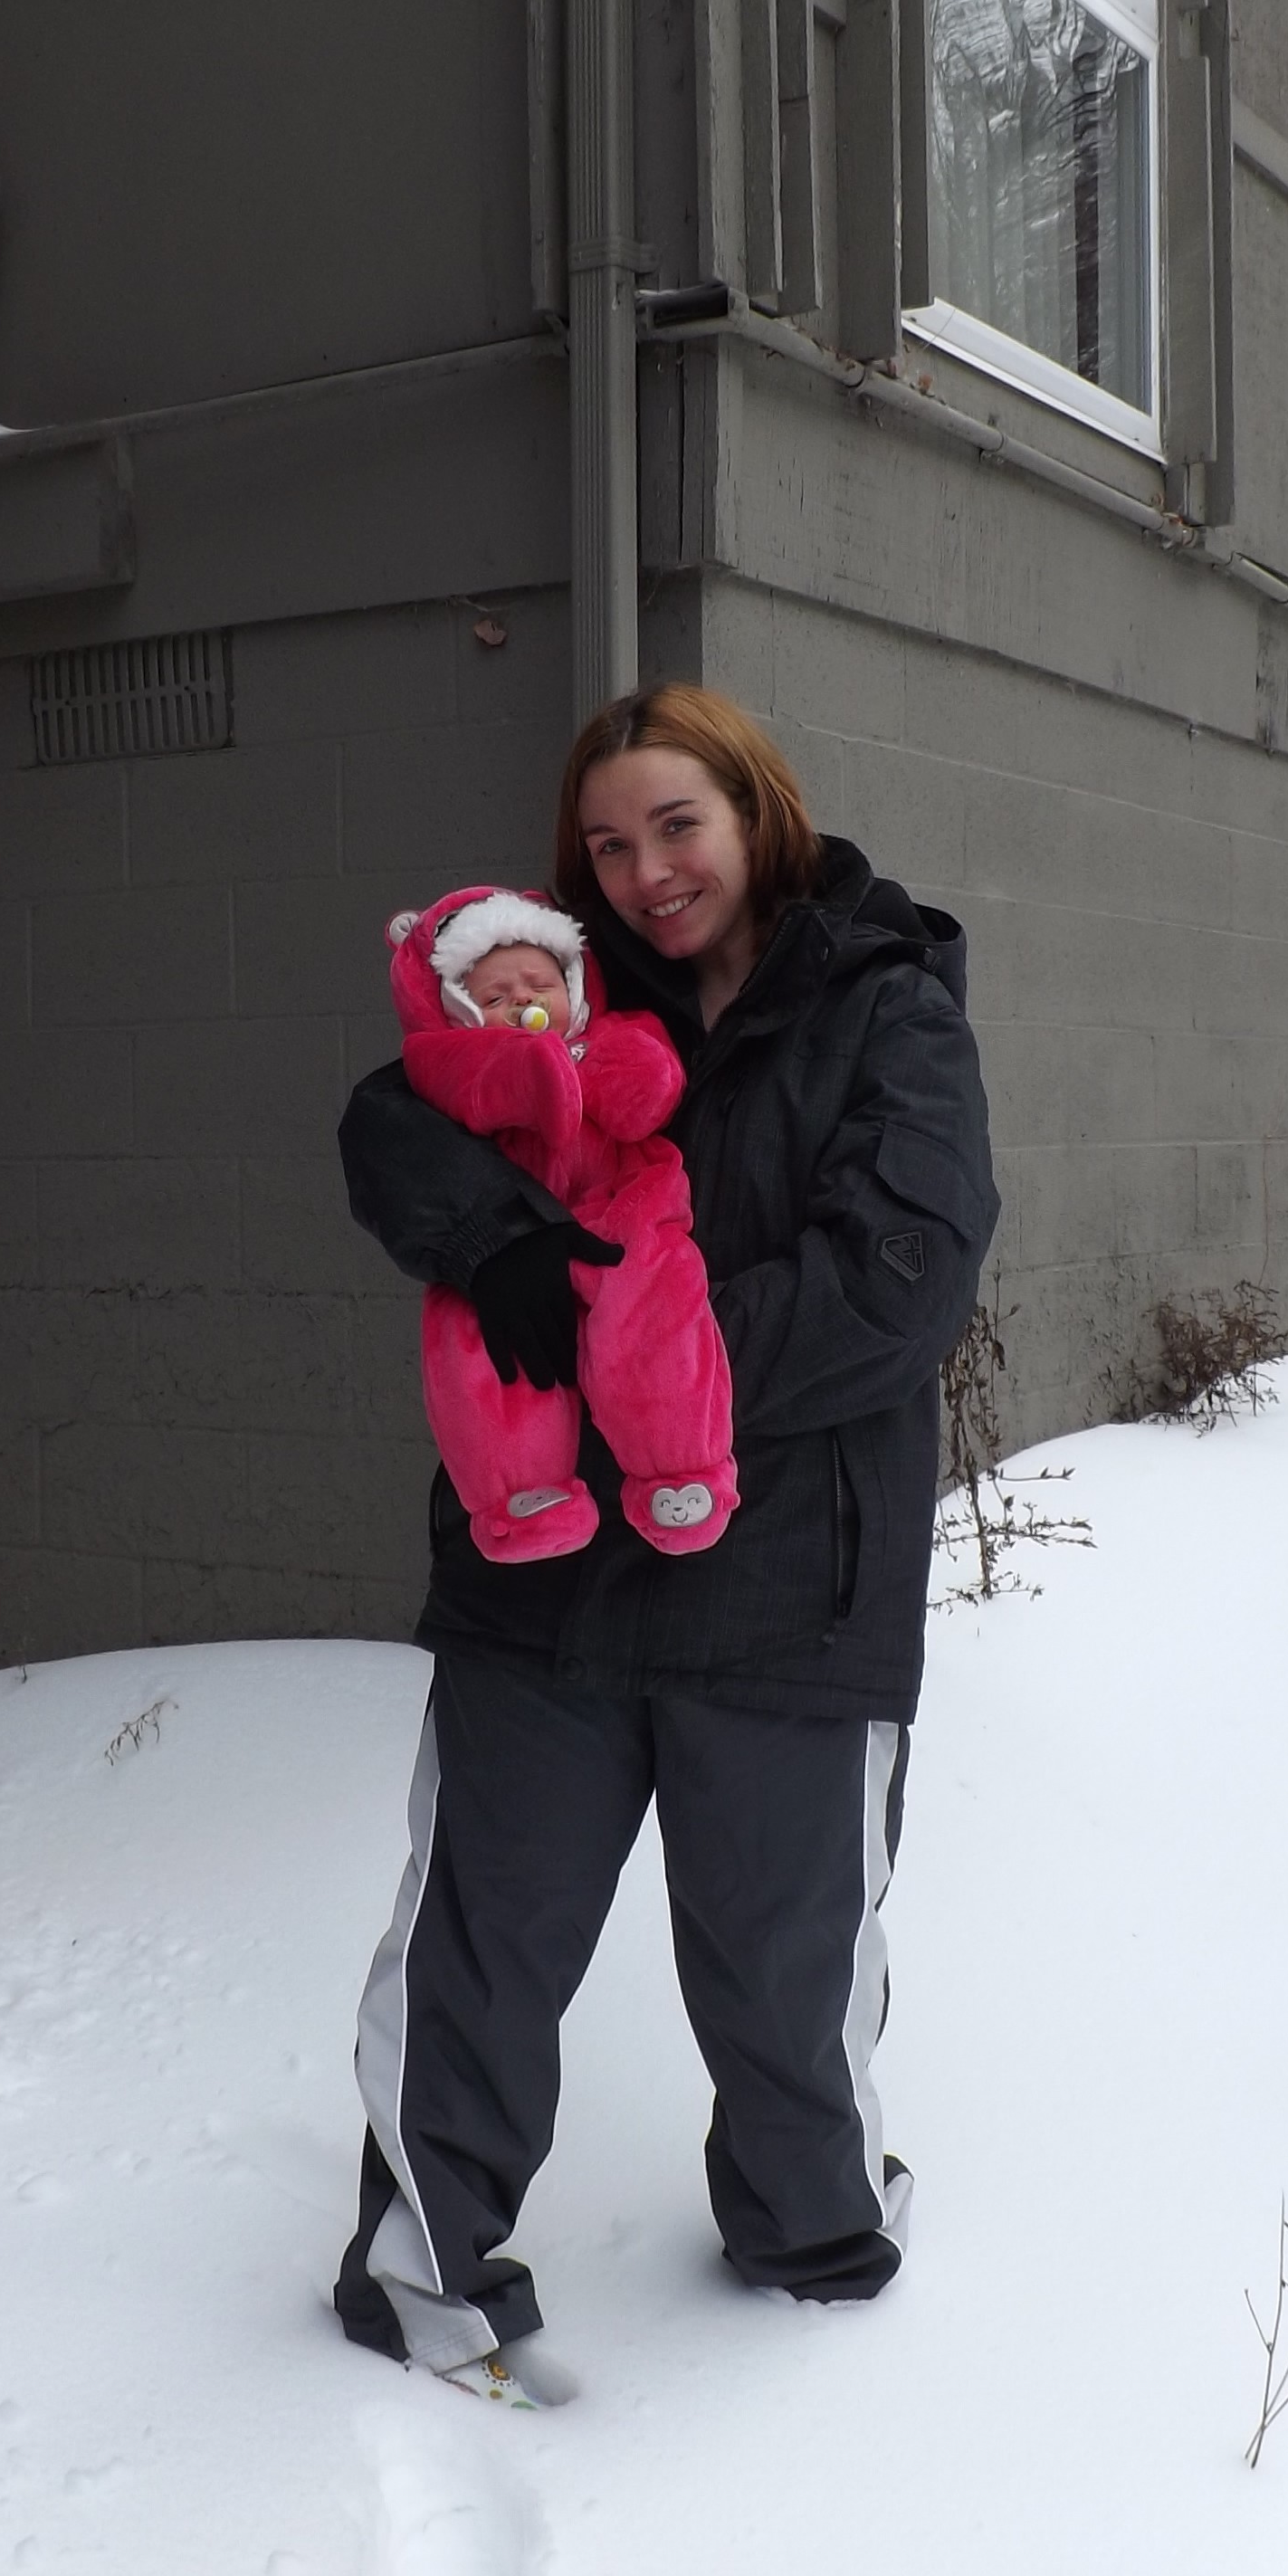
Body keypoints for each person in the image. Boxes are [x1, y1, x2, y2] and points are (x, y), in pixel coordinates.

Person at [332, 684, 997, 2403]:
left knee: (784, 1976)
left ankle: (813, 2244)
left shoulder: (886, 1003)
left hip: (787, 1579)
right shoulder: (552, 992)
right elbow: (388, 1118)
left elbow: (900, 1282)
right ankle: (419, 2267)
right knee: (486, 1941)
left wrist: (637, 1348)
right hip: (544, 1583)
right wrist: (497, 1251)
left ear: (755, 807)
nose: (642, 872)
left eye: (675, 825)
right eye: (608, 845)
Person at [384, 882, 739, 1566]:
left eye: (538, 983)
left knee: (653, 1312)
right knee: (476, 1342)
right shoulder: (447, 1062)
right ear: (459, 1011)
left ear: (573, 984)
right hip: (513, 1227)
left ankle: (680, 1469)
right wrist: (530, 1065)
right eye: (493, 997)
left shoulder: (616, 1035)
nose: (522, 1002)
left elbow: (649, 1095)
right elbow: (467, 1091)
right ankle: (523, 1494)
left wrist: (584, 1064)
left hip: (622, 1214)